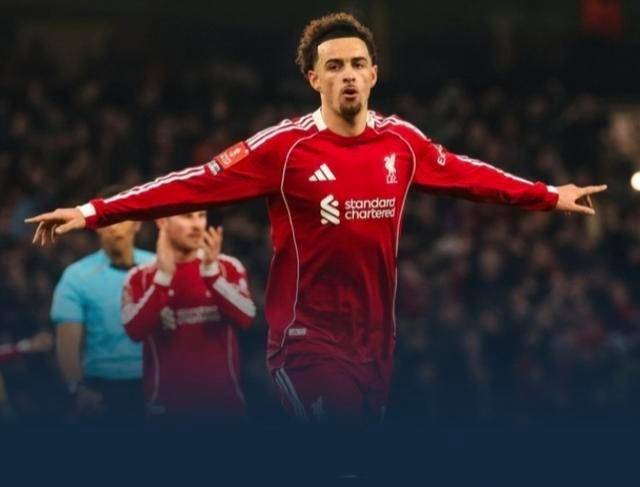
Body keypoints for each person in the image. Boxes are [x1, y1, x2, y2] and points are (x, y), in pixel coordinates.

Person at [27, 13, 607, 423]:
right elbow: (193, 183)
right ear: (314, 78)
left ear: (374, 73)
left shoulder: (401, 143)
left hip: (376, 340)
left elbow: (468, 174)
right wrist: (93, 210)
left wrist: (547, 194)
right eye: (334, 66)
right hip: (306, 340)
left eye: (357, 64)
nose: (348, 74)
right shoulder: (284, 149)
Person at [121, 211, 254, 418]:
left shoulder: (227, 267)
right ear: (162, 222)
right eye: (187, 216)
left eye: (201, 216)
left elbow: (247, 317)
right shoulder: (140, 277)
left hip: (225, 409)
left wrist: (211, 274)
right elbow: (134, 331)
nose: (197, 225)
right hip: (166, 411)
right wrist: (163, 278)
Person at [50, 185, 154, 420]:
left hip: (156, 380)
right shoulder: (76, 277)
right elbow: (67, 344)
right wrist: (77, 389)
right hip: (102, 388)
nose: (114, 225)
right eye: (107, 218)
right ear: (96, 225)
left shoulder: (159, 268)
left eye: (121, 216)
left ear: (137, 223)